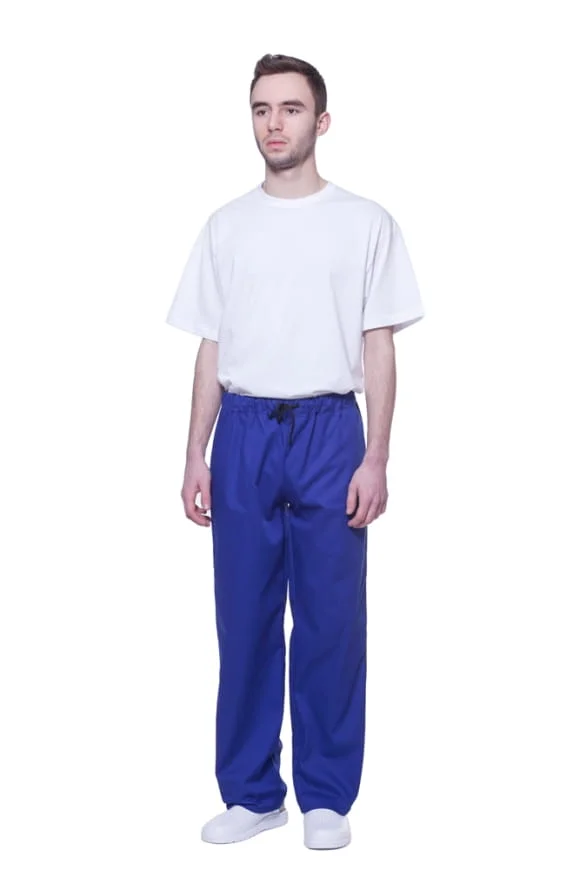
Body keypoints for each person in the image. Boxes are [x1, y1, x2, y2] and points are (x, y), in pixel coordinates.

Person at [165, 53, 425, 850]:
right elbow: (211, 347)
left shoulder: (365, 222)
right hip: (243, 431)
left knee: (330, 621)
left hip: (328, 431)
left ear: (322, 120)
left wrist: (376, 456)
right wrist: (195, 453)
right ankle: (252, 794)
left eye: (290, 108)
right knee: (243, 618)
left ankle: (326, 796)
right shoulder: (226, 226)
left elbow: (378, 346)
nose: (273, 123)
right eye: (261, 109)